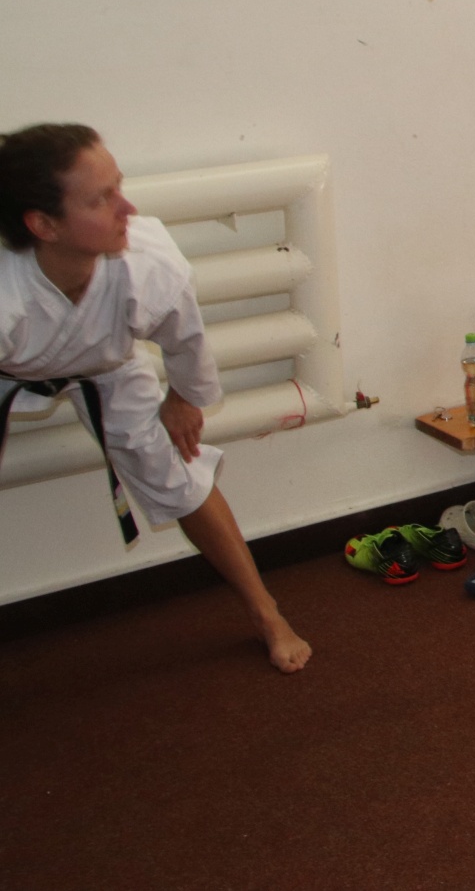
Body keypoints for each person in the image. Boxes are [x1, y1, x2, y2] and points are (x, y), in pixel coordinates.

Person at [0, 124, 312, 672]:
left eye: (119, 186)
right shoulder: (6, 292)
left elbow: (184, 340)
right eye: (101, 199)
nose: (129, 208)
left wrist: (184, 397)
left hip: (110, 367)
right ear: (43, 224)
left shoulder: (148, 261)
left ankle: (268, 614)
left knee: (177, 472)